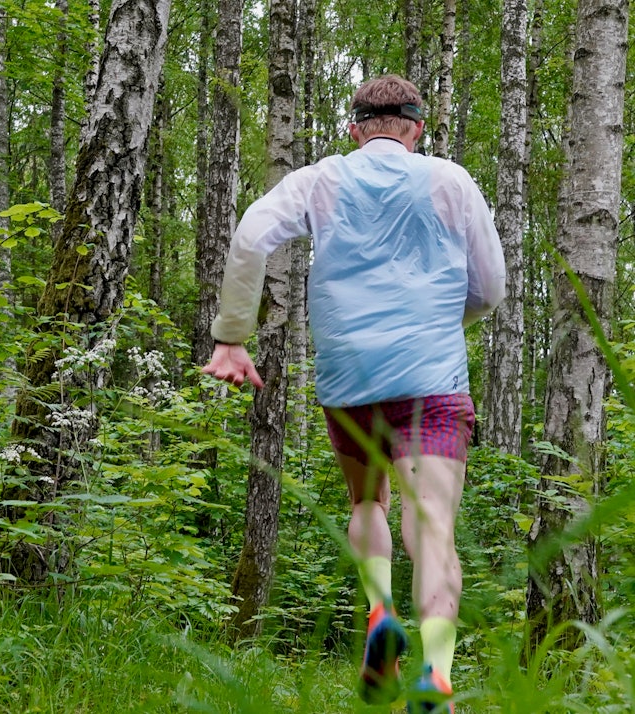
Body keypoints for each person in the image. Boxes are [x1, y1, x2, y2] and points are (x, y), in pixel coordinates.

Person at [201, 74, 506, 713]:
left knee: (368, 501)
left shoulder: (322, 179)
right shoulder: (450, 181)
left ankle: (378, 614)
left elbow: (252, 233)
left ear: (354, 128)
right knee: (433, 527)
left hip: (350, 380)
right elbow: (491, 288)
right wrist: (446, 322)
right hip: (434, 382)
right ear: (417, 128)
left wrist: (232, 337)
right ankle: (435, 674)